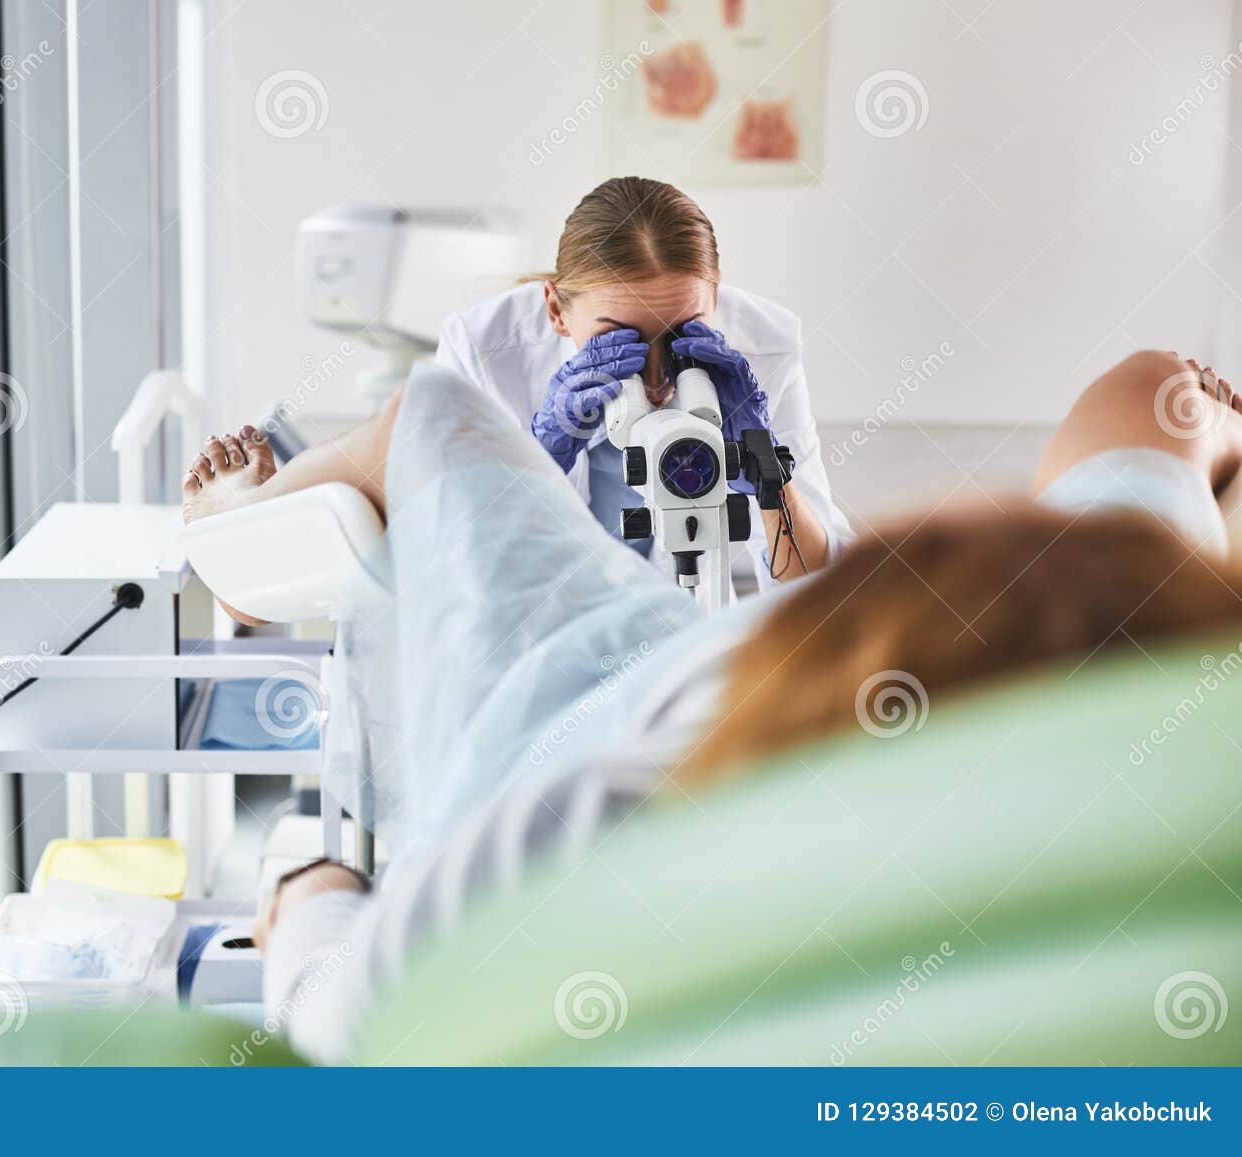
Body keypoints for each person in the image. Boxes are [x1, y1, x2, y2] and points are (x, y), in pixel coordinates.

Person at [182, 348, 1242, 1063]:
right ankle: (241, 530)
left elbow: (341, 1023)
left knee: (432, 414)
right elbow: (1159, 393)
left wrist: (303, 883)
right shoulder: (1134, 609)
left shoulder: (580, 840)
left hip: (581, 688)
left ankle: (236, 535)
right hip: (823, 656)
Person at [436, 176, 849, 586]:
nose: (655, 380)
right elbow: (448, 569)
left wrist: (769, 477)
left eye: (680, 334)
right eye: (619, 339)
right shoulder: (481, 352)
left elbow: (819, 594)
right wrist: (533, 465)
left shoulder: (764, 349)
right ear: (556, 310)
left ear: (715, 300)